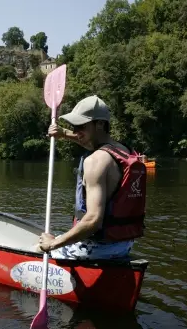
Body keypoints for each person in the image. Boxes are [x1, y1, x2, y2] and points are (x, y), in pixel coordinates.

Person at [38, 95, 147, 260]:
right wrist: (64, 133)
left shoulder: (95, 161)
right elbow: (89, 141)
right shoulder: (123, 150)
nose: (76, 132)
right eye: (74, 127)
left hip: (97, 247)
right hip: (123, 244)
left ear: (100, 124)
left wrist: (51, 244)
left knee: (36, 248)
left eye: (81, 126)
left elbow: (93, 221)